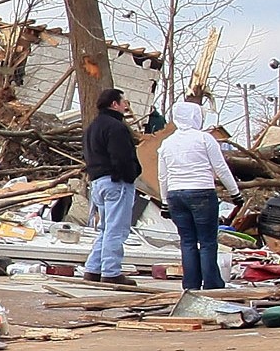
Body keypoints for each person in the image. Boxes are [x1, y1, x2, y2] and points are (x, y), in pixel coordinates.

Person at [156, 100, 240, 292]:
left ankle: (191, 284)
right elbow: (220, 168)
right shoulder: (204, 139)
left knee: (187, 240)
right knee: (208, 240)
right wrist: (235, 192)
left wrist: (163, 201)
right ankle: (212, 283)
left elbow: (163, 175)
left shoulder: (167, 143)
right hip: (202, 191)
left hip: (175, 194)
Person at [80, 87, 141, 285]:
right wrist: (130, 175)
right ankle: (111, 271)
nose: (126, 106)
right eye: (123, 102)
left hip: (97, 181)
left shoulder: (93, 127)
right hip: (116, 182)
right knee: (117, 229)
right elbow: (122, 157)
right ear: (114, 104)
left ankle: (93, 268)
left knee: (105, 228)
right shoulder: (116, 127)